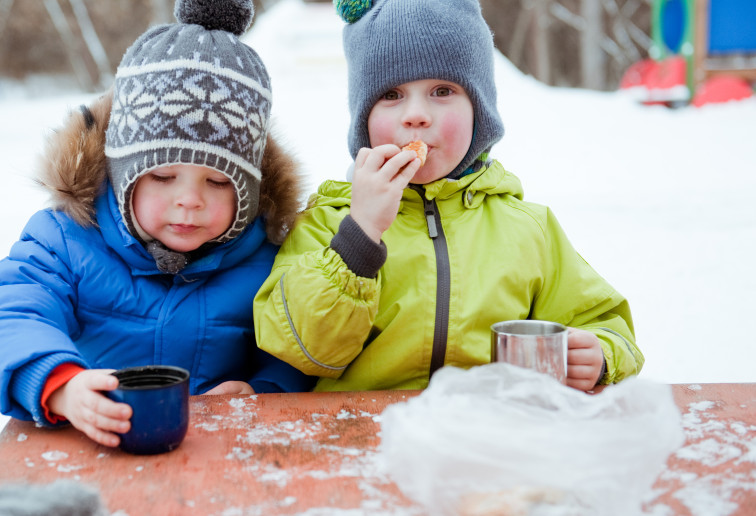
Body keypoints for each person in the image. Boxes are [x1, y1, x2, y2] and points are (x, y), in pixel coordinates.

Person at [253, 0, 643, 393]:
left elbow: (605, 321)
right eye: (391, 95)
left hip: (485, 435)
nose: (417, 115)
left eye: (442, 91)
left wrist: (601, 354)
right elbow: (298, 347)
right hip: (364, 438)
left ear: (480, 113)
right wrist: (360, 234)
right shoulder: (328, 224)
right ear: (363, 120)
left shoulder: (529, 229)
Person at [0, 0, 312, 448]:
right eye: (162, 176)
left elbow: (297, 347)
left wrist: (266, 389)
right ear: (121, 174)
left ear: (249, 191)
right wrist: (61, 385)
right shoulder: (67, 238)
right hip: (94, 442)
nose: (189, 201)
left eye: (217, 181)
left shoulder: (268, 257)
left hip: (225, 452)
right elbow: (14, 310)